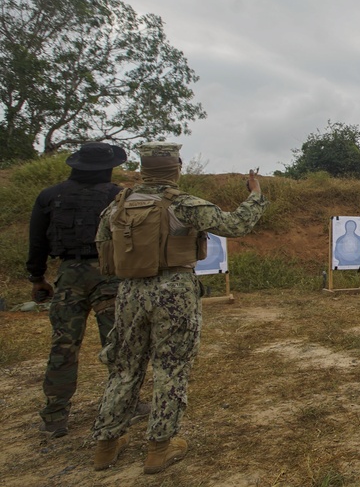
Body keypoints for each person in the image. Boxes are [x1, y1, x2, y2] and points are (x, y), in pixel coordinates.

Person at [91, 142, 268, 474]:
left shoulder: (116, 206)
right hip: (174, 292)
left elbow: (103, 249)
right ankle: (159, 448)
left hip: (129, 292)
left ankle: (106, 445)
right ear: (176, 169)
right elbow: (236, 226)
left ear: (143, 169)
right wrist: (255, 193)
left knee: (124, 367)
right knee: (170, 369)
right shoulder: (184, 205)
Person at [27, 142, 139, 438]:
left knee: (63, 345)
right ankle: (125, 403)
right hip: (110, 275)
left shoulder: (49, 196)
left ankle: (54, 415)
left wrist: (37, 278)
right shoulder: (119, 196)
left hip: (69, 275)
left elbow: (37, 242)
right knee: (119, 343)